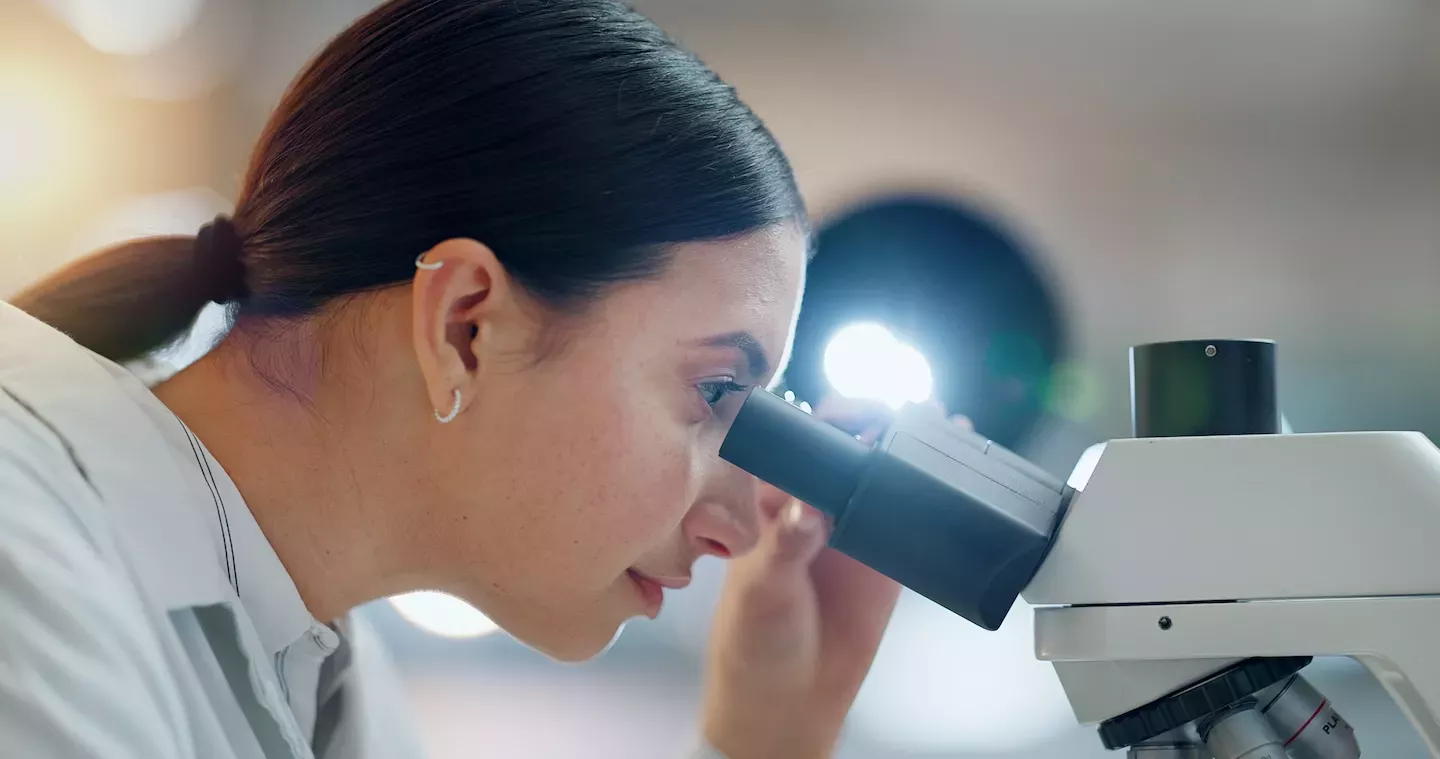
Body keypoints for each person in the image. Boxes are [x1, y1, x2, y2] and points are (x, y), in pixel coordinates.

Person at [0, 1, 929, 757]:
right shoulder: (25, 572)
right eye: (717, 392)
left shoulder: (317, 672)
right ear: (465, 326)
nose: (737, 523)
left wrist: (767, 737)